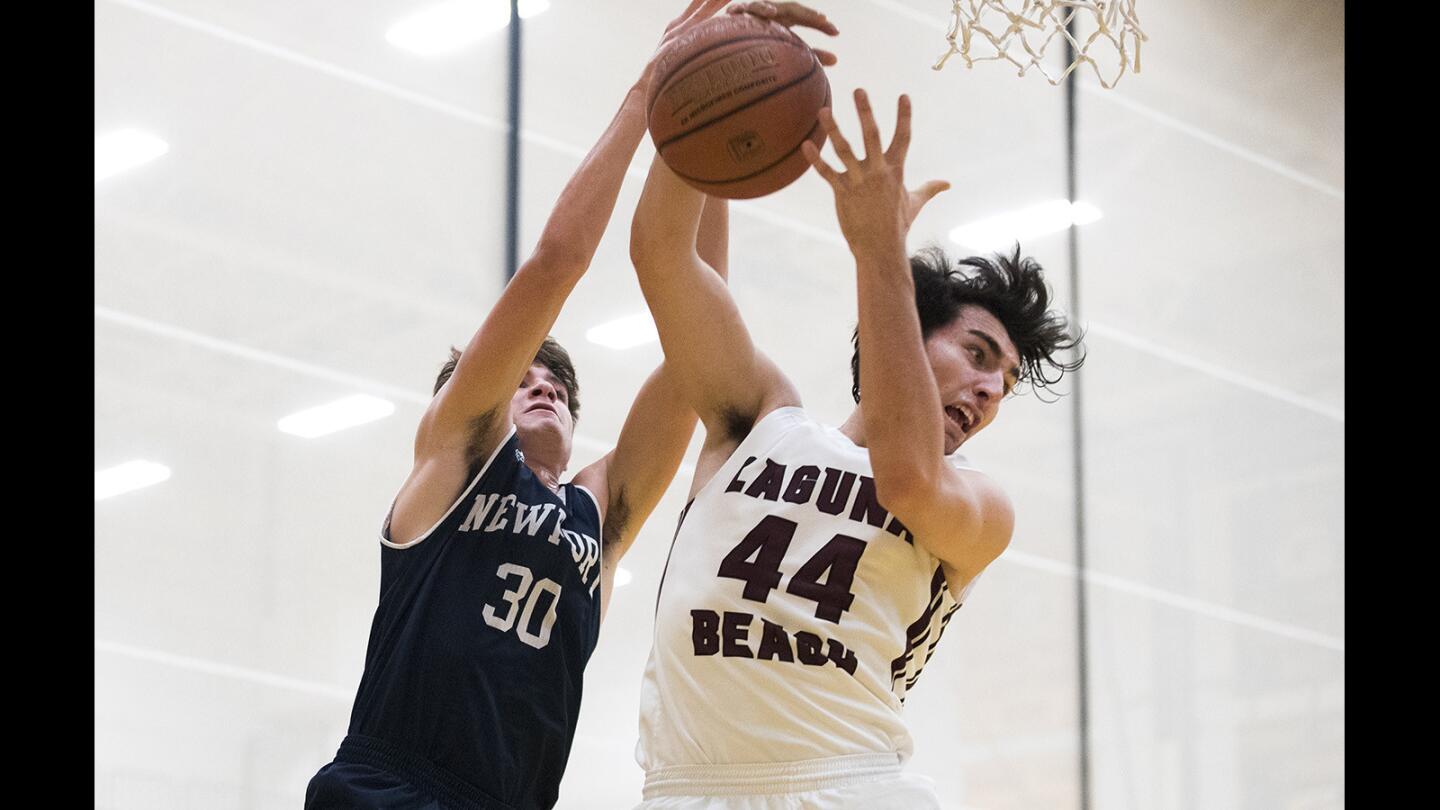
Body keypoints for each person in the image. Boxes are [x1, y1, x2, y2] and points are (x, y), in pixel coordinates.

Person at [626, 11, 1084, 806]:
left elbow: (905, 479)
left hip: (842, 787)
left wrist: (879, 249)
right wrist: (688, 77)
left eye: (1004, 385)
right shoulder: (759, 418)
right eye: (978, 354)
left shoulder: (979, 506)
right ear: (908, 328)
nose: (989, 390)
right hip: (684, 789)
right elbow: (663, 257)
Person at [303, 2, 742, 808]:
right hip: (389, 787)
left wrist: (705, 137)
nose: (545, 386)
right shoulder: (457, 456)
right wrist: (654, 86)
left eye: (562, 387)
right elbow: (556, 261)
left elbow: (699, 355)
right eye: (524, 378)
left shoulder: (598, 518)